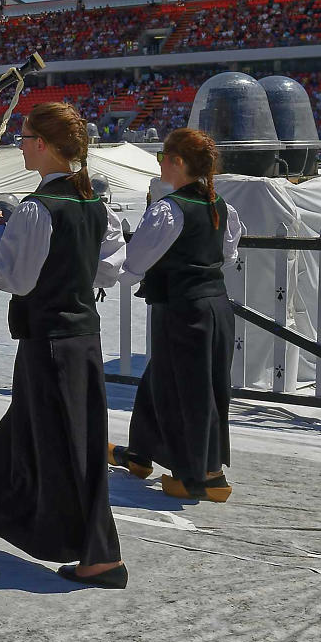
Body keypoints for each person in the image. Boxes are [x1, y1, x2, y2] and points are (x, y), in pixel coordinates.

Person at [0, 103, 130, 588]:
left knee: (69, 441)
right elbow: (108, 269)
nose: (20, 145)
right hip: (80, 335)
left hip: (48, 337)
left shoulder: (36, 208)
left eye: (24, 138)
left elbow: (15, 278)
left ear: (42, 145)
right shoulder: (95, 205)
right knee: (26, 425)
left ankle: (101, 556)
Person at [110, 127, 243, 503]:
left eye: (161, 158)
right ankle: (141, 453)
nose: (159, 165)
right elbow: (228, 254)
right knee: (166, 379)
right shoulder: (219, 205)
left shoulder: (169, 209)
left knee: (191, 389)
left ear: (177, 162)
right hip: (214, 304)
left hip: (182, 308)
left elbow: (133, 265)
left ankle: (201, 476)